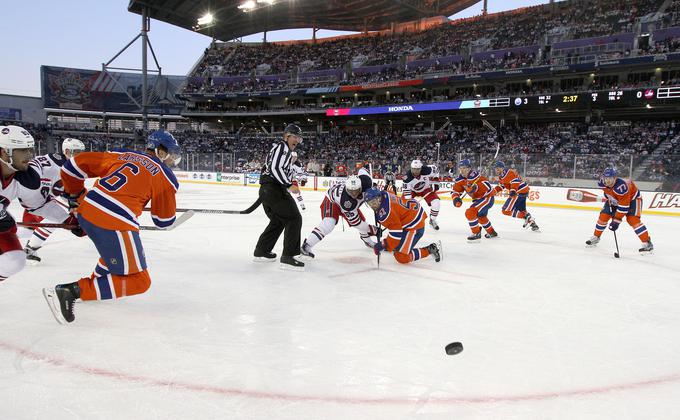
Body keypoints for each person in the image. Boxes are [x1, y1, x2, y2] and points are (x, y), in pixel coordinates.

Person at [42, 130, 181, 324]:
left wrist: (74, 198)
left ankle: (96, 286)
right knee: (140, 281)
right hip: (114, 220)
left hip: (87, 209)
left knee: (112, 254)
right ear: (161, 152)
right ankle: (72, 291)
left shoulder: (120, 155)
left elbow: (71, 167)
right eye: (171, 155)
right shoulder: (166, 177)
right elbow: (163, 221)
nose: (171, 161)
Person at [21, 138, 87, 263]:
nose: (80, 156)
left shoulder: (66, 166)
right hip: (33, 196)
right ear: (67, 151)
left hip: (42, 198)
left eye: (82, 152)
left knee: (60, 221)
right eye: (77, 152)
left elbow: (65, 191)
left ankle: (30, 248)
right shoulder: (56, 165)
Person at [253, 124, 304, 270]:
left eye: (298, 138)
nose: (297, 140)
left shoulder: (284, 151)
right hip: (273, 190)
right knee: (294, 218)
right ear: (286, 136)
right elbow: (275, 168)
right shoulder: (282, 147)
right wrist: (288, 185)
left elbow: (276, 169)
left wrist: (289, 184)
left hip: (268, 191)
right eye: (294, 137)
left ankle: (261, 251)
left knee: (278, 221)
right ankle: (288, 256)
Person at [300, 174, 377, 258]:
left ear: (361, 187)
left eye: (355, 191)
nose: (353, 194)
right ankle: (307, 245)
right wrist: (372, 229)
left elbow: (363, 171)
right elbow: (356, 223)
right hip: (332, 201)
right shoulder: (348, 202)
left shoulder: (365, 182)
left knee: (363, 222)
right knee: (329, 223)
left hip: (347, 204)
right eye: (350, 191)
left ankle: (368, 241)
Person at [0, 125, 40, 281]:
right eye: (23, 150)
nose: (29, 155)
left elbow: (39, 205)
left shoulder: (22, 177)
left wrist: (69, 219)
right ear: (4, 152)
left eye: (30, 150)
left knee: (15, 259)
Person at [363, 188, 442, 264]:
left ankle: (430, 249)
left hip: (415, 225)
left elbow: (396, 234)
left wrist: (383, 244)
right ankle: (398, 246)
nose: (372, 205)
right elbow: (391, 193)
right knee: (394, 245)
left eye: (374, 201)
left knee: (401, 257)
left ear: (379, 198)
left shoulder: (387, 213)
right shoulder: (385, 193)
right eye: (370, 203)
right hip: (411, 212)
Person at [586, 167, 653, 253]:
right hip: (615, 198)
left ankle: (647, 243)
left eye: (610, 178)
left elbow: (623, 207)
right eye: (606, 178)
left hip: (633, 199)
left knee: (633, 220)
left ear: (615, 178)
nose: (607, 181)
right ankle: (596, 237)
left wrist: (616, 221)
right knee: (604, 216)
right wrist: (608, 196)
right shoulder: (601, 183)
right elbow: (607, 192)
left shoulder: (621, 187)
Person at [451, 159, 497, 241]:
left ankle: (476, 233)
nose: (462, 170)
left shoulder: (475, 176)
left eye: (464, 168)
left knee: (470, 212)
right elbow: (455, 191)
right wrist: (456, 199)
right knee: (481, 217)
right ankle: (491, 232)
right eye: (460, 167)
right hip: (478, 200)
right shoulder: (460, 180)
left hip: (487, 197)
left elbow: (487, 186)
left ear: (469, 168)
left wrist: (475, 188)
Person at [492, 161, 539, 231]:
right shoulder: (502, 175)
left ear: (502, 168)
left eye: (498, 168)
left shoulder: (508, 172)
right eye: (496, 169)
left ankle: (526, 217)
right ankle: (533, 224)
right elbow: (501, 186)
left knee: (505, 210)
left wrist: (513, 190)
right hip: (522, 190)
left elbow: (515, 181)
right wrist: (493, 191)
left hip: (518, 191)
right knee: (521, 210)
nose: (496, 170)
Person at [402, 159, 441, 230]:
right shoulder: (407, 178)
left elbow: (436, 169)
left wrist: (435, 181)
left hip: (426, 189)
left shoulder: (427, 170)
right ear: (411, 168)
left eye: (417, 169)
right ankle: (403, 220)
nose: (415, 171)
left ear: (421, 168)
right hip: (412, 191)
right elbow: (407, 192)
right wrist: (409, 202)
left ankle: (432, 220)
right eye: (413, 169)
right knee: (403, 204)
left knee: (436, 203)